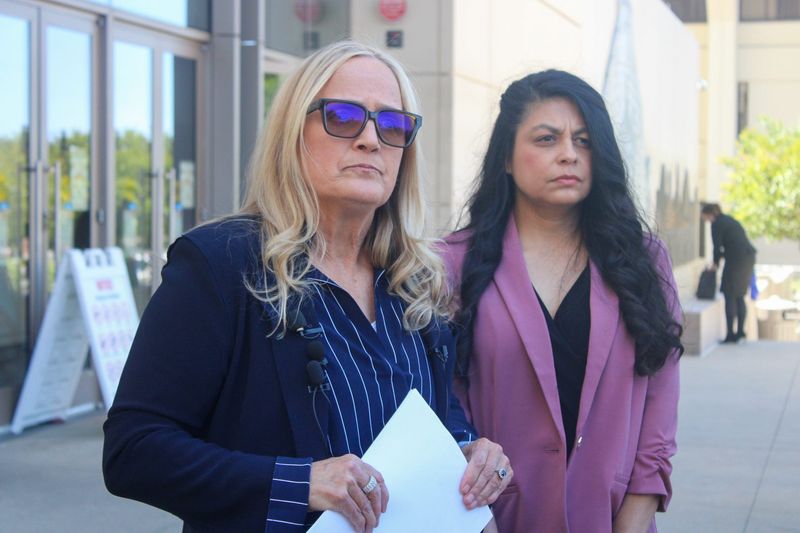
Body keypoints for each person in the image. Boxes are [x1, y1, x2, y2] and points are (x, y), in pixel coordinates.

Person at [103, 40, 511, 533]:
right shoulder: (221, 264)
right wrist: (300, 484)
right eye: (342, 116)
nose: (370, 140)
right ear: (293, 133)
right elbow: (134, 449)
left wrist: (468, 451)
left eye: (393, 124)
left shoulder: (413, 277)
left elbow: (435, 416)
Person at [442, 70, 684, 532]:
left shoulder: (643, 260)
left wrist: (633, 518)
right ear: (507, 159)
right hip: (493, 520)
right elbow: (444, 404)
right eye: (547, 139)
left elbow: (660, 401)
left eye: (584, 140)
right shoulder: (454, 264)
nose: (569, 154)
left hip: (612, 519)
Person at [700, 202, 757, 343]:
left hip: (736, 261)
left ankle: (731, 335)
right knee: (740, 296)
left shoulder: (717, 224)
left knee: (729, 294)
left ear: (708, 214)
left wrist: (715, 264)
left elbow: (717, 247)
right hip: (748, 258)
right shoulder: (728, 220)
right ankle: (740, 332)